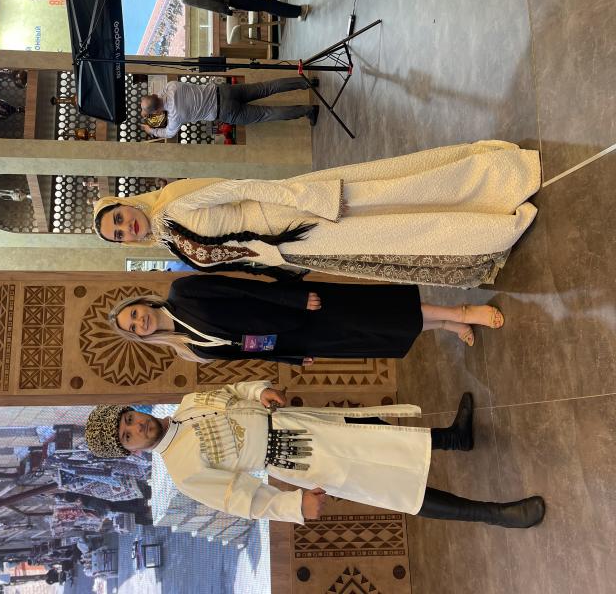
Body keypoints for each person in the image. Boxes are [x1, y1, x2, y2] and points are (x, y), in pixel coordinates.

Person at [84, 385, 545, 528]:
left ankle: (455, 438)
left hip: (300, 422)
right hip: (297, 457)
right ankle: (493, 514)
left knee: (379, 433)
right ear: (130, 451)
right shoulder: (183, 472)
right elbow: (241, 498)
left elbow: (234, 391)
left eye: (129, 419)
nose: (136, 428)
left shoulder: (188, 403)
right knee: (394, 487)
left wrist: (259, 392)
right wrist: (293, 505)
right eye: (127, 437)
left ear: (133, 411)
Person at [94, 141, 540, 287]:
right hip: (295, 247)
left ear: (125, 203)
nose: (125, 227)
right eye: (118, 235)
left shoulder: (175, 202)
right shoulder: (169, 242)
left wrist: (307, 197)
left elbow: (242, 188)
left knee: (391, 200)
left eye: (118, 218)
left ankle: (491, 185)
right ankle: (484, 229)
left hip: (294, 212)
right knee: (394, 234)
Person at [108, 275, 504, 364]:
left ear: (143, 303)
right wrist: (291, 358)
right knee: (375, 333)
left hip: (295, 307)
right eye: (133, 328)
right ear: (139, 337)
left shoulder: (182, 292)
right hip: (295, 339)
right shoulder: (187, 349)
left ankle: (460, 312)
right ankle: (447, 325)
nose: (140, 322)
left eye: (135, 314)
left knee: (378, 313)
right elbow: (247, 354)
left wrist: (292, 296)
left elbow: (240, 288)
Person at [138, 76, 318, 140]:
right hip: (225, 90)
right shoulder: (172, 86)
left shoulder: (176, 117)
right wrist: (148, 107)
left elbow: (169, 133)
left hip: (225, 112)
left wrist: (151, 130)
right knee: (266, 87)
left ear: (157, 112)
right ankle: (306, 82)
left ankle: (309, 110)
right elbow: (157, 97)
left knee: (267, 113)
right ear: (154, 94)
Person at [162, 0, 310, 20]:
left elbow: (209, 4)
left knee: (264, 4)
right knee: (263, 2)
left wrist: (226, 11)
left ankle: (299, 11)